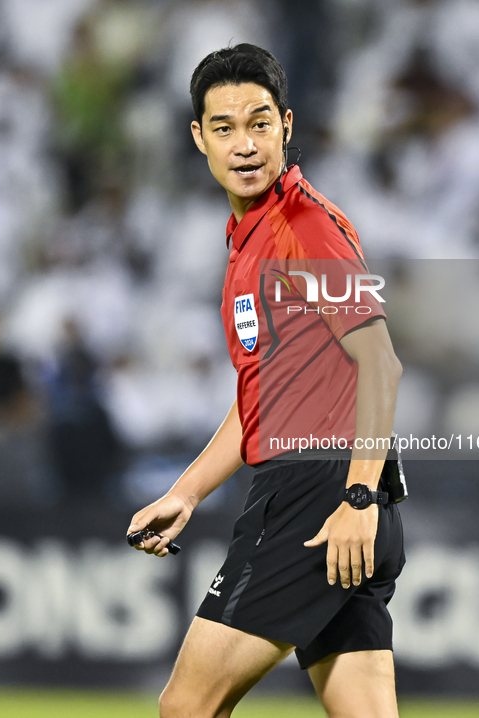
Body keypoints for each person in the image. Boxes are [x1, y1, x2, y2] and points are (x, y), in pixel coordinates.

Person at [128, 44, 404, 718]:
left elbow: (380, 363)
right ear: (198, 137)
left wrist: (356, 499)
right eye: (224, 128)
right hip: (346, 496)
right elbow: (262, 402)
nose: (243, 145)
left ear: (285, 124)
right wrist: (187, 491)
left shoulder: (304, 227)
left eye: (258, 124)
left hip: (320, 494)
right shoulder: (247, 235)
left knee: (187, 706)